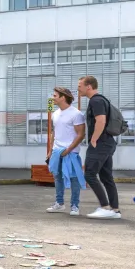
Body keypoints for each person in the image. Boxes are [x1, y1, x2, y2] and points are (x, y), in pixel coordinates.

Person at [78, 76, 120, 219]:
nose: (78, 88)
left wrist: (94, 139)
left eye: (80, 86)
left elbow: (100, 120)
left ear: (88, 86)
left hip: (100, 143)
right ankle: (115, 210)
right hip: (108, 142)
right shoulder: (101, 100)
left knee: (89, 174)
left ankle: (105, 207)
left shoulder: (96, 101)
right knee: (106, 176)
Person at [45, 87, 86, 216]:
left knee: (74, 178)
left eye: (55, 95)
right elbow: (54, 133)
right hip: (57, 150)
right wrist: (51, 151)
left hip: (71, 151)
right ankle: (59, 203)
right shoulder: (55, 113)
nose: (53, 98)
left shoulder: (76, 114)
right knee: (57, 177)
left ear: (63, 97)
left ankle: (74, 206)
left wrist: (68, 150)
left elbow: (81, 135)